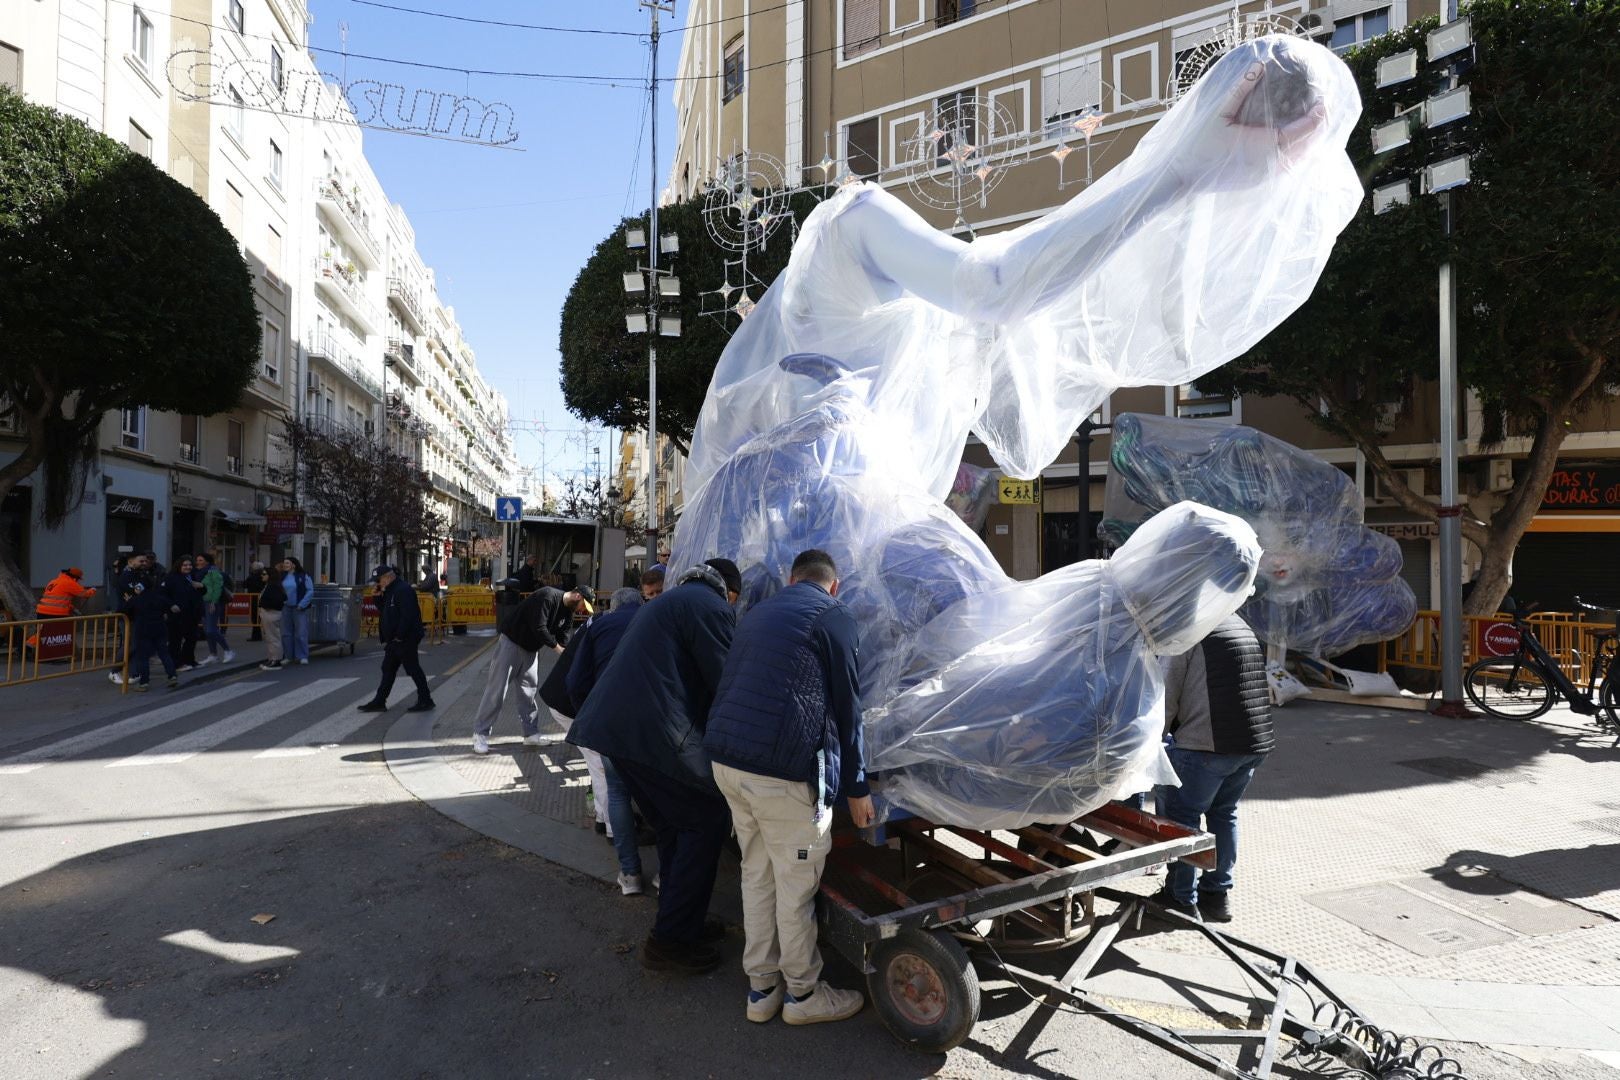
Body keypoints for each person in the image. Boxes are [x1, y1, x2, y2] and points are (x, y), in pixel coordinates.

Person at [704, 549, 872, 1025]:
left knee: (757, 874)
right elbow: (849, 707)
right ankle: (803, 994)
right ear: (833, 585)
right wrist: (856, 787)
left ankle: (762, 991)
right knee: (796, 885)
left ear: (791, 578)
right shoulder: (833, 616)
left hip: (727, 762)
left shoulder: (757, 613)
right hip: (778, 773)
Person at [568, 558, 742, 975]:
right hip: (650, 735)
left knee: (671, 826)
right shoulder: (710, 607)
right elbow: (726, 683)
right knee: (705, 820)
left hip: (618, 732)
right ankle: (671, 943)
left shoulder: (675, 600)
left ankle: (683, 922)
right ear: (730, 593)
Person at [1153, 614, 1275, 923]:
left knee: (1183, 818)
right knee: (1224, 812)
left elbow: (1166, 694)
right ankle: (1216, 897)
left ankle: (1179, 899)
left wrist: (1151, 743)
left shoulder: (1188, 630)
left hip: (1207, 744)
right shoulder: (1241, 625)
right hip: (1251, 743)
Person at [565, 587, 649, 895]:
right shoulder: (653, 619)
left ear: (612, 606)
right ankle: (666, 875)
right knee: (656, 794)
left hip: (611, 720)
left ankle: (630, 874)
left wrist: (588, 714)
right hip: (651, 721)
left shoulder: (597, 625)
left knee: (617, 792)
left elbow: (574, 681)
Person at [469, 582, 594, 752]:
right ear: (577, 596)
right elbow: (539, 627)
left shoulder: (568, 612)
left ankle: (530, 734)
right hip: (511, 643)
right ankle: (480, 733)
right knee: (496, 691)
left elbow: (564, 637)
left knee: (528, 693)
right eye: (583, 606)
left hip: (531, 650)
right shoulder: (548, 596)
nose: (582, 610)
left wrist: (570, 655)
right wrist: (558, 649)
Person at [359, 565, 435, 713]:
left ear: (388, 577)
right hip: (396, 639)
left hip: (405, 638)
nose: (377, 584)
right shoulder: (390, 591)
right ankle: (380, 701)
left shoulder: (403, 590)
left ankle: (425, 699)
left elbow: (408, 615)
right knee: (388, 668)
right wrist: (376, 598)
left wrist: (400, 636)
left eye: (379, 580)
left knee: (412, 668)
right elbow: (386, 611)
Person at [123, 555, 178, 692]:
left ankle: (144, 683)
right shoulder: (158, 595)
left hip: (143, 627)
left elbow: (125, 608)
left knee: (142, 656)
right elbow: (170, 606)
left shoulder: (137, 598)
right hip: (159, 626)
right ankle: (172, 676)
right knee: (163, 652)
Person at [28, 567, 96, 650]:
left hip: (41, 612)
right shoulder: (69, 583)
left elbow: (57, 599)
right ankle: (45, 653)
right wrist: (93, 590)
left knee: (42, 634)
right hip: (55, 613)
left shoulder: (53, 581)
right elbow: (85, 594)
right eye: (78, 579)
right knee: (54, 636)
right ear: (75, 578)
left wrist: (71, 608)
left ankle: (27, 648)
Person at [163, 556, 203, 671]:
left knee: (192, 638)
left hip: (192, 613)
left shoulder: (192, 576)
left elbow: (200, 592)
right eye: (185, 565)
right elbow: (162, 594)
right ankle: (176, 664)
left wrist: (202, 586)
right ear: (179, 566)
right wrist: (170, 605)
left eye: (190, 565)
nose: (188, 567)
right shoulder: (171, 578)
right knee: (175, 640)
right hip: (177, 614)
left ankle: (189, 660)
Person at [194, 552, 234, 665]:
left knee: (211, 629)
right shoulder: (200, 571)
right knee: (207, 630)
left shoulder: (212, 570)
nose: (198, 562)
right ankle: (213, 654)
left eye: (200, 560)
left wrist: (213, 601)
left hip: (212, 602)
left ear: (207, 561)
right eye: (197, 560)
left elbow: (217, 587)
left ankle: (228, 651)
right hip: (203, 602)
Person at [278, 557, 314, 665]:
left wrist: (302, 604)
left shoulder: (303, 576)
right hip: (286, 607)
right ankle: (288, 656)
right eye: (284, 563)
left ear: (294, 565)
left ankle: (302, 656)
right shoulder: (282, 576)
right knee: (285, 633)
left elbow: (310, 591)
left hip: (299, 607)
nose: (285, 565)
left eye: (287, 563)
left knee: (301, 632)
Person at [257, 565, 288, 670]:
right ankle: (272, 658)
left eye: (264, 574)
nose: (262, 576)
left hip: (271, 613)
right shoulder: (270, 585)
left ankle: (276, 660)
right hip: (267, 613)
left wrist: (263, 604)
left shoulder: (273, 587)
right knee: (269, 637)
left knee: (273, 637)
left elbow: (278, 600)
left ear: (270, 575)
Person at [244, 561, 269, 641]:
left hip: (254, 599)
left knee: (255, 617)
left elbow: (245, 584)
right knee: (260, 617)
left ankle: (256, 635)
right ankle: (260, 634)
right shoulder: (263, 576)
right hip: (262, 598)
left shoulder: (252, 577)